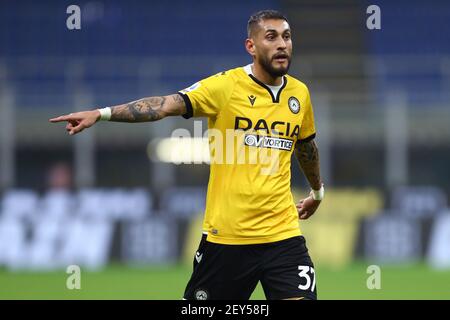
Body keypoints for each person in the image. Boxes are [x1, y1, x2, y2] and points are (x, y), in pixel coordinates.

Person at [50, 10, 324, 300]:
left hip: (284, 237)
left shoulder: (299, 94)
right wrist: (101, 114)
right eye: (271, 37)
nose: (282, 44)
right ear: (251, 47)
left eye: (287, 36)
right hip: (227, 240)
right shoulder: (226, 87)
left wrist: (317, 192)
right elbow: (165, 105)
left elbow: (306, 147)